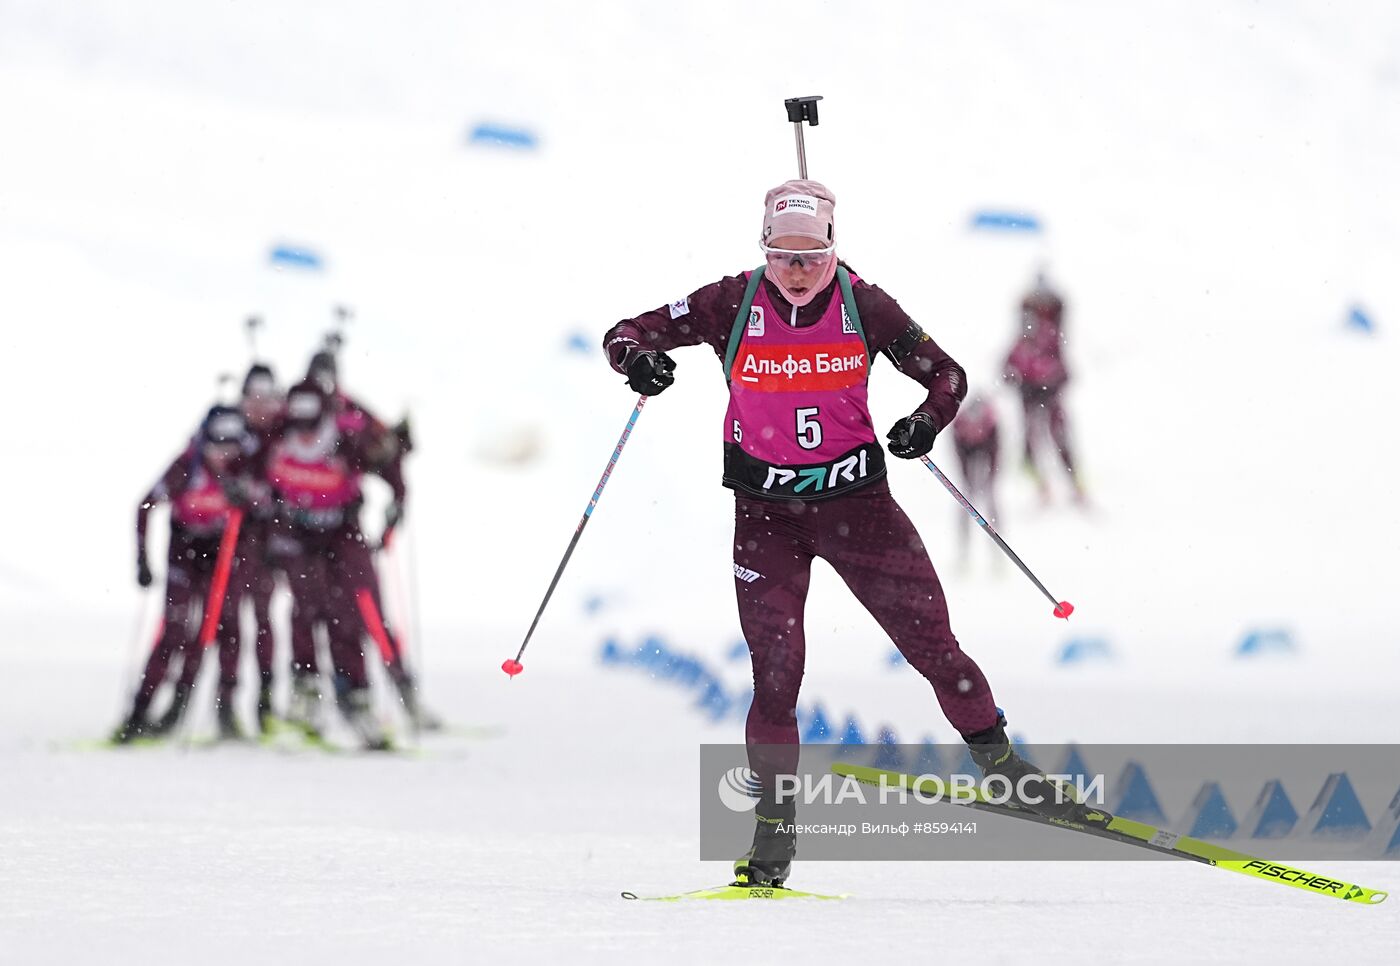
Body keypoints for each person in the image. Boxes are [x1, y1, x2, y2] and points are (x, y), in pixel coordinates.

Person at [601, 179, 1082, 888]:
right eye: (782, 256)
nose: (797, 272)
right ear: (763, 250)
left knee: (935, 650)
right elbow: (626, 332)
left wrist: (925, 424)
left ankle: (1004, 768)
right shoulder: (731, 301)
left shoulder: (866, 304)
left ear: (834, 247)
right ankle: (773, 836)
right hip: (765, 517)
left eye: (813, 256)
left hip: (859, 510)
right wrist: (637, 360)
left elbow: (946, 375)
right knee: (774, 678)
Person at [265, 377, 405, 750]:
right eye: (298, 417)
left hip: (341, 530)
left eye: (311, 418)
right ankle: (305, 692)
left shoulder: (347, 435)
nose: (304, 428)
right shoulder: (278, 432)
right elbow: (247, 462)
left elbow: (386, 457)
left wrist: (397, 498)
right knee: (304, 609)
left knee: (349, 613)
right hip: (296, 531)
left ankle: (356, 695)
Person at [113, 405, 251, 742]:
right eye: (217, 445)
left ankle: (200, 708)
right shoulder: (186, 466)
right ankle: (139, 713)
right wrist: (143, 561)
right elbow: (145, 506)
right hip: (185, 554)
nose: (223, 454)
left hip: (221, 556)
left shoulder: (244, 466)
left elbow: (266, 506)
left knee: (221, 628)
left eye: (230, 446)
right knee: (174, 631)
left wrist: (247, 501)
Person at [233, 363, 285, 733]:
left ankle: (266, 701)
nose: (260, 407)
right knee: (230, 622)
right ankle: (226, 702)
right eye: (253, 398)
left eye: (267, 398)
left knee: (266, 619)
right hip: (234, 543)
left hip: (273, 542)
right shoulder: (230, 430)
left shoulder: (283, 432)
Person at [1002, 273, 1084, 504]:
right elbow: (1011, 360)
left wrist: (1058, 380)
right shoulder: (1024, 336)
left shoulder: (1052, 334)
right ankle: (1040, 486)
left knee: (1059, 436)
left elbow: (1059, 360)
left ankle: (1075, 483)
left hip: (1049, 391)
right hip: (1029, 392)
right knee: (1030, 438)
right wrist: (1011, 374)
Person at [950, 393, 1001, 568]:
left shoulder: (991, 423)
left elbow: (996, 452)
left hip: (986, 448)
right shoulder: (960, 424)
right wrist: (966, 478)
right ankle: (963, 550)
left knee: (990, 497)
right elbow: (958, 452)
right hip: (967, 449)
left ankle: (997, 551)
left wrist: (991, 479)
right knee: (965, 498)